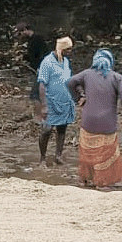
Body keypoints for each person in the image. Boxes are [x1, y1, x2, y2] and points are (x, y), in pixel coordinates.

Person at [67, 48, 122, 189]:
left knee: (88, 152)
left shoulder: (86, 74)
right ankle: (103, 182)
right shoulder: (116, 77)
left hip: (88, 122)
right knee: (106, 154)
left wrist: (79, 97)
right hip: (107, 124)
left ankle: (86, 180)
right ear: (110, 62)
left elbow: (70, 82)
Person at [36, 36, 76, 167]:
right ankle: (42, 158)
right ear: (61, 49)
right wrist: (44, 106)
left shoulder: (65, 62)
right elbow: (42, 84)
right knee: (46, 130)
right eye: (68, 49)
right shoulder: (47, 62)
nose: (70, 52)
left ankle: (58, 156)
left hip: (64, 101)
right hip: (51, 101)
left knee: (62, 129)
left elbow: (68, 80)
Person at [16, 22, 51, 101]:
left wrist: (40, 67)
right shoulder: (31, 40)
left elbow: (42, 54)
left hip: (42, 68)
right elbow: (33, 55)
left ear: (25, 30)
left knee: (35, 94)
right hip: (39, 68)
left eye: (20, 33)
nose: (21, 36)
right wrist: (23, 57)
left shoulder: (37, 39)